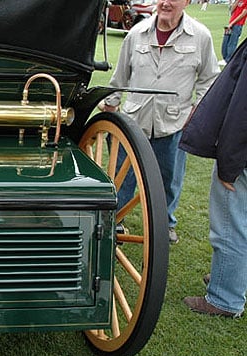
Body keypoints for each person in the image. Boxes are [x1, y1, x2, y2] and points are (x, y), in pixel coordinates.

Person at [100, 0, 219, 244]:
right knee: (123, 177)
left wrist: (196, 111)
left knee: (169, 179)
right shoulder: (136, 34)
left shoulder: (201, 37)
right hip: (133, 123)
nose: (166, 2)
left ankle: (164, 224)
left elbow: (209, 80)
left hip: (173, 124)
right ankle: (117, 220)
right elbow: (120, 75)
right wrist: (111, 106)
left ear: (186, 2)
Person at [180, 39, 247, 318]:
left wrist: (228, 165)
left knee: (230, 227)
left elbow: (241, 112)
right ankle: (228, 279)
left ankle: (224, 299)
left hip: (242, 157)